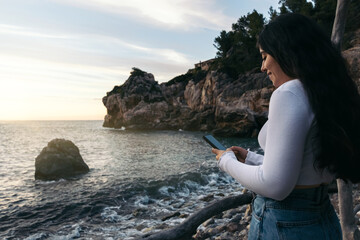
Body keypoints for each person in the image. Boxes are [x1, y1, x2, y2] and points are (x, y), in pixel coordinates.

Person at [211, 13, 360, 240]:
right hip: (323, 219)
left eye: (264, 56)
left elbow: (275, 185)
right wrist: (251, 158)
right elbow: (305, 167)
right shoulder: (325, 94)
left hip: (286, 222)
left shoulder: (288, 93)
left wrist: (225, 161)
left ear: (286, 51)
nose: (262, 67)